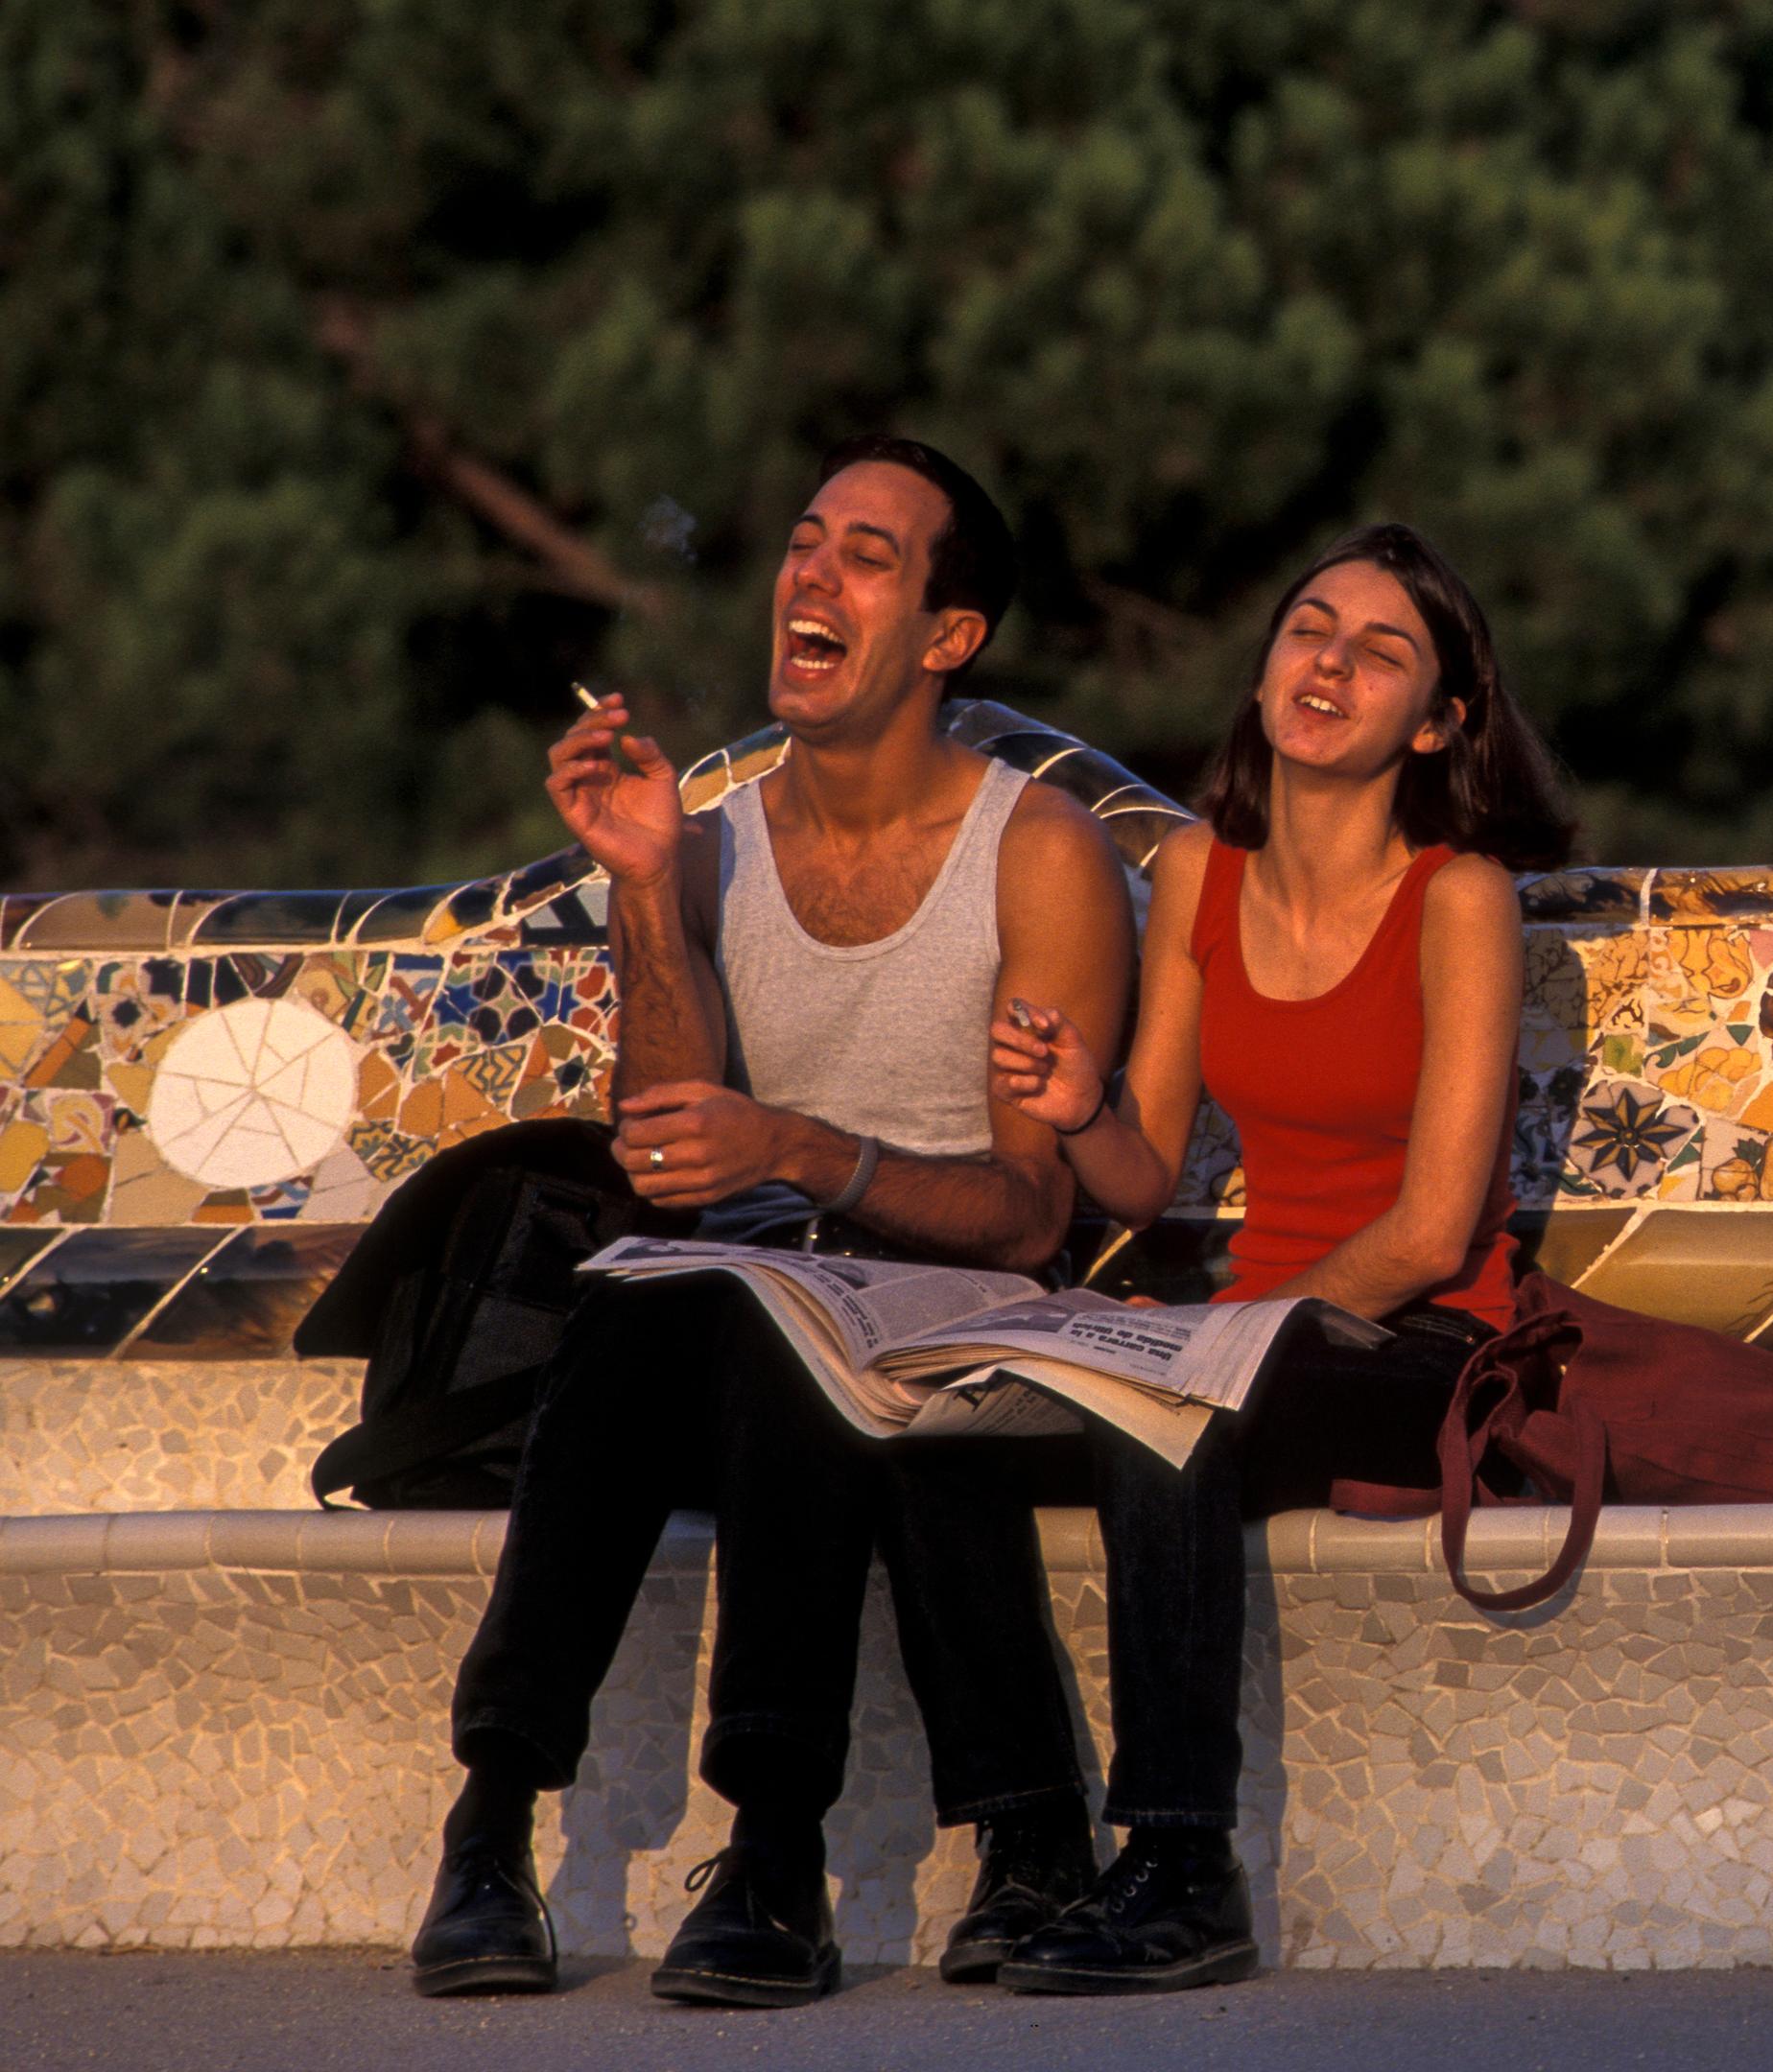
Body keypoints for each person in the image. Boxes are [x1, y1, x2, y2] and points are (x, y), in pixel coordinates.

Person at [408, 437, 1133, 2007]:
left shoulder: (1040, 854)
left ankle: (775, 1843)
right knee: (654, 1298)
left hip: (955, 1305)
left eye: (868, 557)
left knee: (773, 1321)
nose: (812, 572)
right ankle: (491, 1822)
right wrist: (646, 884)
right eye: (806, 542)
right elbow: (667, 1157)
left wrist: (803, 1152)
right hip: (729, 1314)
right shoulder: (713, 842)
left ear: (948, 635)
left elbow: (1030, 1215)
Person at [981, 521, 1576, 1994]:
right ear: (1263, 674)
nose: (1329, 663)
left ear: (1435, 723)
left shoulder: (1458, 897)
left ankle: (1186, 1869)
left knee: (1166, 1403)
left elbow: (1433, 1230)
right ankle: (1025, 1845)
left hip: (1425, 1346)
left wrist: (1212, 1339)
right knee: (941, 1436)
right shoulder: (1200, 869)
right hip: (1262, 1338)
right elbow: (1143, 1168)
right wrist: (1080, 1109)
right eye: (1310, 628)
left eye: (1381, 652)